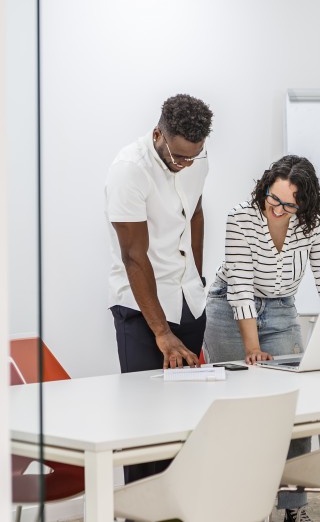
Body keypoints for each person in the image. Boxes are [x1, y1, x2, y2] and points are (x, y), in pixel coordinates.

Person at [203, 154, 320, 522]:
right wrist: (252, 348)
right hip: (227, 306)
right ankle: (235, 506)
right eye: (273, 198)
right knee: (234, 405)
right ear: (265, 187)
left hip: (282, 308)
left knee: (291, 405)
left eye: (288, 204)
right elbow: (241, 289)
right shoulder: (241, 217)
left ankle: (292, 509)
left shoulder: (314, 225)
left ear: (305, 203)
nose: (278, 208)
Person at [105, 93, 213, 485]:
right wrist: (162, 333)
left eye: (194, 156)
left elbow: (196, 211)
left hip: (188, 302)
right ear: (158, 135)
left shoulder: (197, 158)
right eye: (179, 157)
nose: (187, 164)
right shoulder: (128, 171)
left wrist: (196, 278)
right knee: (144, 427)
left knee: (186, 423)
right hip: (143, 311)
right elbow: (134, 255)